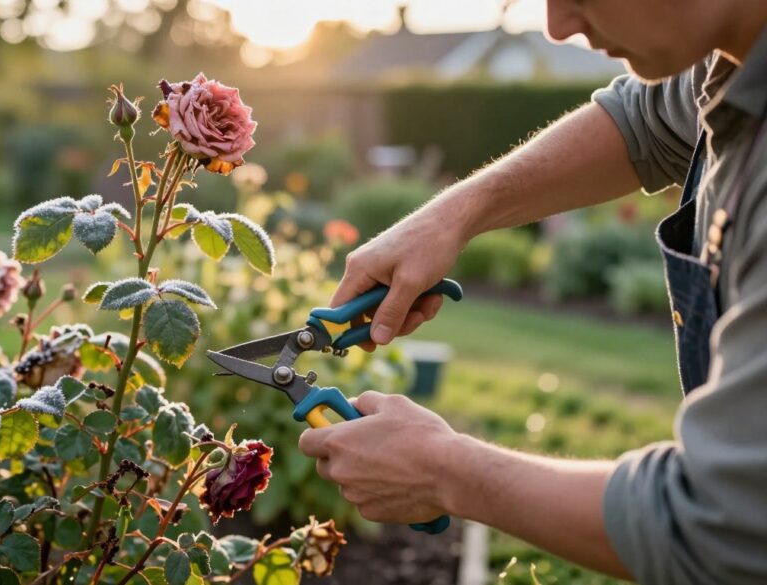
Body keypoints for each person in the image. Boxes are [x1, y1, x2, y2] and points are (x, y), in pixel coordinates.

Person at [297, 1, 767, 582]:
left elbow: (728, 526)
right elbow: (646, 120)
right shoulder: (732, 56)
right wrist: (454, 214)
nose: (557, 26)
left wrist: (442, 470)